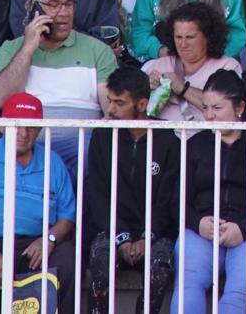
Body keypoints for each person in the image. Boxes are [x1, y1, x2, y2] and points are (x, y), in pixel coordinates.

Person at [0, 92, 77, 314]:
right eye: (16, 125)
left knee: (68, 259)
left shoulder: (53, 161)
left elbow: (67, 217)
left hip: (35, 245)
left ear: (39, 129)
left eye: (30, 127)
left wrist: (48, 239)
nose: (22, 133)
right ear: (2, 126)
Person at [176, 69, 246, 314]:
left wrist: (244, 229)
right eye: (205, 108)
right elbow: (178, 200)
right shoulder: (195, 144)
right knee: (187, 287)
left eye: (217, 108)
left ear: (240, 108)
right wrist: (198, 223)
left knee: (237, 294)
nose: (208, 116)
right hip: (203, 230)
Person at [0, 0, 116, 175]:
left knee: (93, 149)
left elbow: (111, 109)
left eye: (68, 4)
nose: (64, 12)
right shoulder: (12, 49)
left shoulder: (98, 51)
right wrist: (28, 48)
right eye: (54, 5)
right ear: (35, 9)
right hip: (28, 144)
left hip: (81, 147)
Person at [82, 66, 180, 314]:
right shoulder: (102, 136)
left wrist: (148, 236)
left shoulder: (168, 139)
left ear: (142, 104)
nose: (111, 110)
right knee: (100, 260)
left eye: (119, 103)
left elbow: (169, 200)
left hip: (156, 232)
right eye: (109, 101)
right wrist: (122, 237)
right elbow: (98, 195)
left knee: (160, 267)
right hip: (111, 228)